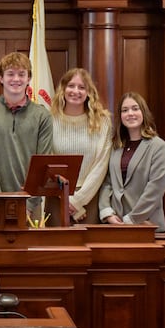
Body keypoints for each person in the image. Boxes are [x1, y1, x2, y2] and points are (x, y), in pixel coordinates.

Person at [0, 51, 53, 218]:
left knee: (32, 244)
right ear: (1, 78)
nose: (16, 79)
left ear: (29, 78)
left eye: (21, 74)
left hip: (31, 204)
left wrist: (29, 204)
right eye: (10, 74)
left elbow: (43, 162)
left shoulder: (42, 115)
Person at [99, 92, 165, 232]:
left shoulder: (159, 147)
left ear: (143, 112)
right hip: (115, 225)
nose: (130, 113)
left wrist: (132, 219)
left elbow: (155, 189)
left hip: (146, 225)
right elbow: (107, 182)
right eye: (124, 110)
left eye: (135, 108)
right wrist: (106, 212)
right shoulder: (116, 147)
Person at [49, 68, 112, 225]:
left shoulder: (102, 121)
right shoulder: (49, 119)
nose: (75, 91)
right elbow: (46, 162)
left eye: (82, 87)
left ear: (89, 92)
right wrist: (66, 199)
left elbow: (101, 165)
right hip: (56, 196)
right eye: (71, 86)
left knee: (89, 248)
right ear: (62, 89)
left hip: (89, 199)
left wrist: (78, 201)